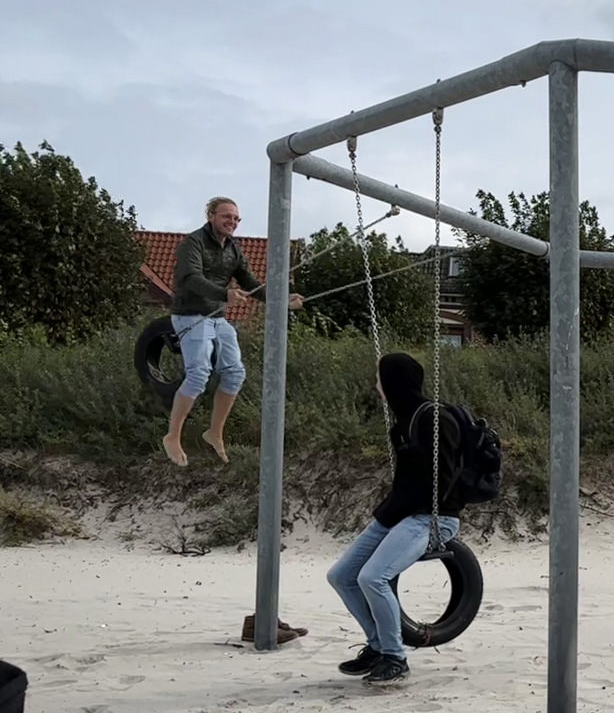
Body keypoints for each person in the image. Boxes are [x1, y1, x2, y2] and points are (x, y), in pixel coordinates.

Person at [326, 353, 466, 687]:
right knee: (341, 576)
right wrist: (391, 513)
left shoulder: (435, 419)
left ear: (393, 382)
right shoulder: (401, 424)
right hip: (400, 515)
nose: (375, 385)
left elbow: (446, 479)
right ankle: (377, 646)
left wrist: (407, 511)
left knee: (373, 577)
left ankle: (395, 657)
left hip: (433, 517)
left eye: (379, 378)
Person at [162, 196, 304, 466]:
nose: (233, 222)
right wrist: (224, 294)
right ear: (211, 216)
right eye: (227, 216)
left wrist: (282, 300)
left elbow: (250, 282)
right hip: (191, 315)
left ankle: (214, 432)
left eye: (236, 218)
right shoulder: (193, 243)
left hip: (217, 317)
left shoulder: (234, 248)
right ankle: (172, 435)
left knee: (235, 373)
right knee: (199, 374)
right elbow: (190, 278)